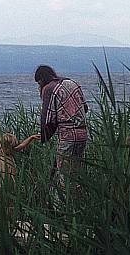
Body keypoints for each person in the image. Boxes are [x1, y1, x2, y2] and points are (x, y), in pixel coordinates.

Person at [34, 65, 88, 199]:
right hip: (82, 134)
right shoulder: (72, 82)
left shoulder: (49, 89)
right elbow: (85, 108)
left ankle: (62, 210)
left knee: (63, 176)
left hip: (67, 137)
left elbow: (47, 119)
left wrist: (43, 137)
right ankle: (77, 206)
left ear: (42, 79)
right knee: (75, 174)